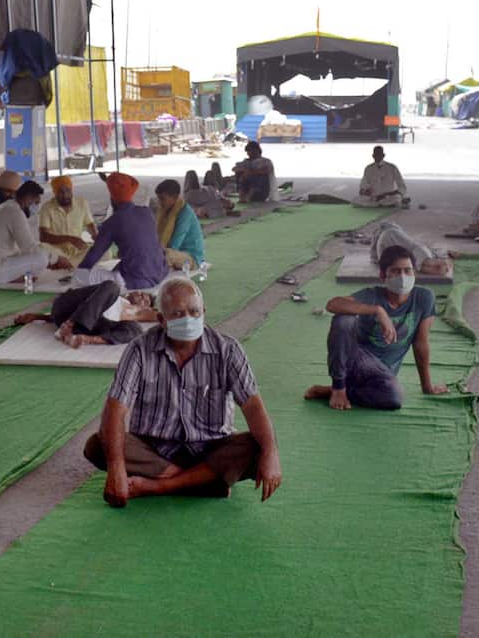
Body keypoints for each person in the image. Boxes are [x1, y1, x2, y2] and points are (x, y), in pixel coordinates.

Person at [83, 278, 283, 506]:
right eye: (178, 314)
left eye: (194, 311)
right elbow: (115, 410)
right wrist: (117, 469)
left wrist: (271, 454)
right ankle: (201, 482)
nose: (188, 319)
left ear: (204, 312)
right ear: (161, 319)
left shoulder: (228, 350)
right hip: (155, 450)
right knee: (99, 445)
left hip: (211, 448)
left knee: (259, 447)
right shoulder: (140, 349)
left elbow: (253, 406)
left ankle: (160, 486)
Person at [304, 245, 449, 410]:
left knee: (394, 399)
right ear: (382, 275)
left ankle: (330, 392)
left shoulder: (424, 298)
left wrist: (427, 387)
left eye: (407, 271)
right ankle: (338, 387)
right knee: (344, 320)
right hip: (355, 363)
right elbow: (333, 304)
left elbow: (420, 343)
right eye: (395, 271)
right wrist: (377, 310)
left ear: (414, 273)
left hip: (383, 375)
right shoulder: (372, 295)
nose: (403, 276)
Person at [0, 180, 69, 285]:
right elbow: (30, 248)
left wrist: (51, 257)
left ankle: (12, 276)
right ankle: (13, 278)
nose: (37, 207)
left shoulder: (7, 207)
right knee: (41, 258)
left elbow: (22, 247)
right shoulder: (14, 212)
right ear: (29, 198)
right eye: (36, 202)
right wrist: (55, 259)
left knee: (40, 254)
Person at [77, 172, 168, 290]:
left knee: (80, 276)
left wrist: (80, 271)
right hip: (161, 273)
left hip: (137, 281)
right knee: (117, 267)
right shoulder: (146, 212)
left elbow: (93, 256)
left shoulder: (113, 221)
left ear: (112, 199)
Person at [14, 280, 158, 348]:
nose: (140, 296)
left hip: (84, 329)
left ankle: (84, 339)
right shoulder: (114, 293)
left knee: (136, 331)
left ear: (146, 309)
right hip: (64, 308)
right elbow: (83, 303)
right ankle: (69, 326)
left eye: (145, 300)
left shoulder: (132, 319)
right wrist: (43, 317)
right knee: (112, 286)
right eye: (141, 293)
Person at [38, 175, 98, 265]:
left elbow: (90, 225)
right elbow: (43, 237)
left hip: (77, 251)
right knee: (42, 248)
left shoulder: (82, 203)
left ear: (72, 190)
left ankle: (66, 264)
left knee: (106, 252)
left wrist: (97, 239)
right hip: (57, 252)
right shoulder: (47, 208)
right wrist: (70, 239)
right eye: (61, 192)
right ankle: (69, 263)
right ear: (54, 193)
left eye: (68, 190)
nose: (65, 195)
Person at [154, 179, 206, 270]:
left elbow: (175, 245)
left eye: (163, 199)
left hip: (192, 258)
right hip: (174, 253)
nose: (159, 202)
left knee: (167, 255)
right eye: (159, 198)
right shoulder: (164, 211)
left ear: (175, 197)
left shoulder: (185, 212)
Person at [369, 222, 452, 278]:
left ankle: (434, 265)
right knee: (419, 254)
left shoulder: (389, 236)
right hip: (387, 245)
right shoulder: (390, 234)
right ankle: (434, 264)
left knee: (418, 257)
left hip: (385, 253)